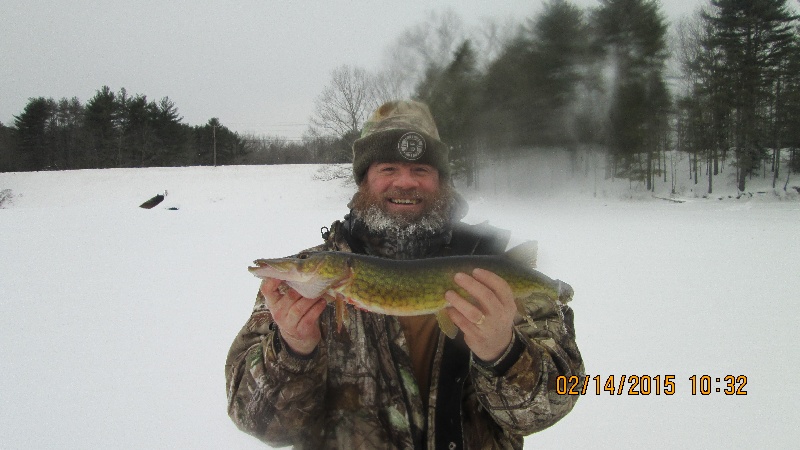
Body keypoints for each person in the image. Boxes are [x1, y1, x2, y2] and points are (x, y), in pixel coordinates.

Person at [225, 100, 584, 449]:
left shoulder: (490, 261)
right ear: (364, 179)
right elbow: (256, 419)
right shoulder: (297, 290)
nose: (406, 183)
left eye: (421, 170)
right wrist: (293, 351)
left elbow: (559, 396)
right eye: (388, 169)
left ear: (441, 180)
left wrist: (504, 354)